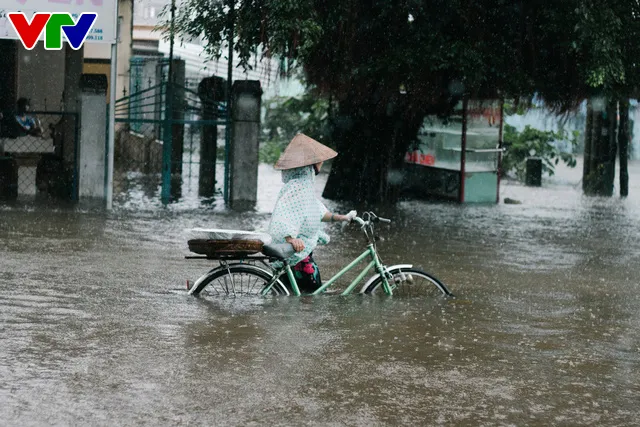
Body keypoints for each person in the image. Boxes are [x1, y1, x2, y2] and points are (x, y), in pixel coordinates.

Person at [268, 133, 356, 294]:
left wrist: (343, 217)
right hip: (297, 256)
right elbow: (284, 213)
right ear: (311, 164)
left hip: (298, 255)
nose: (322, 162)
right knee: (315, 296)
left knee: (291, 297)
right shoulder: (299, 188)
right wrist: (290, 238)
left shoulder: (303, 186)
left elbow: (317, 212)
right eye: (319, 159)